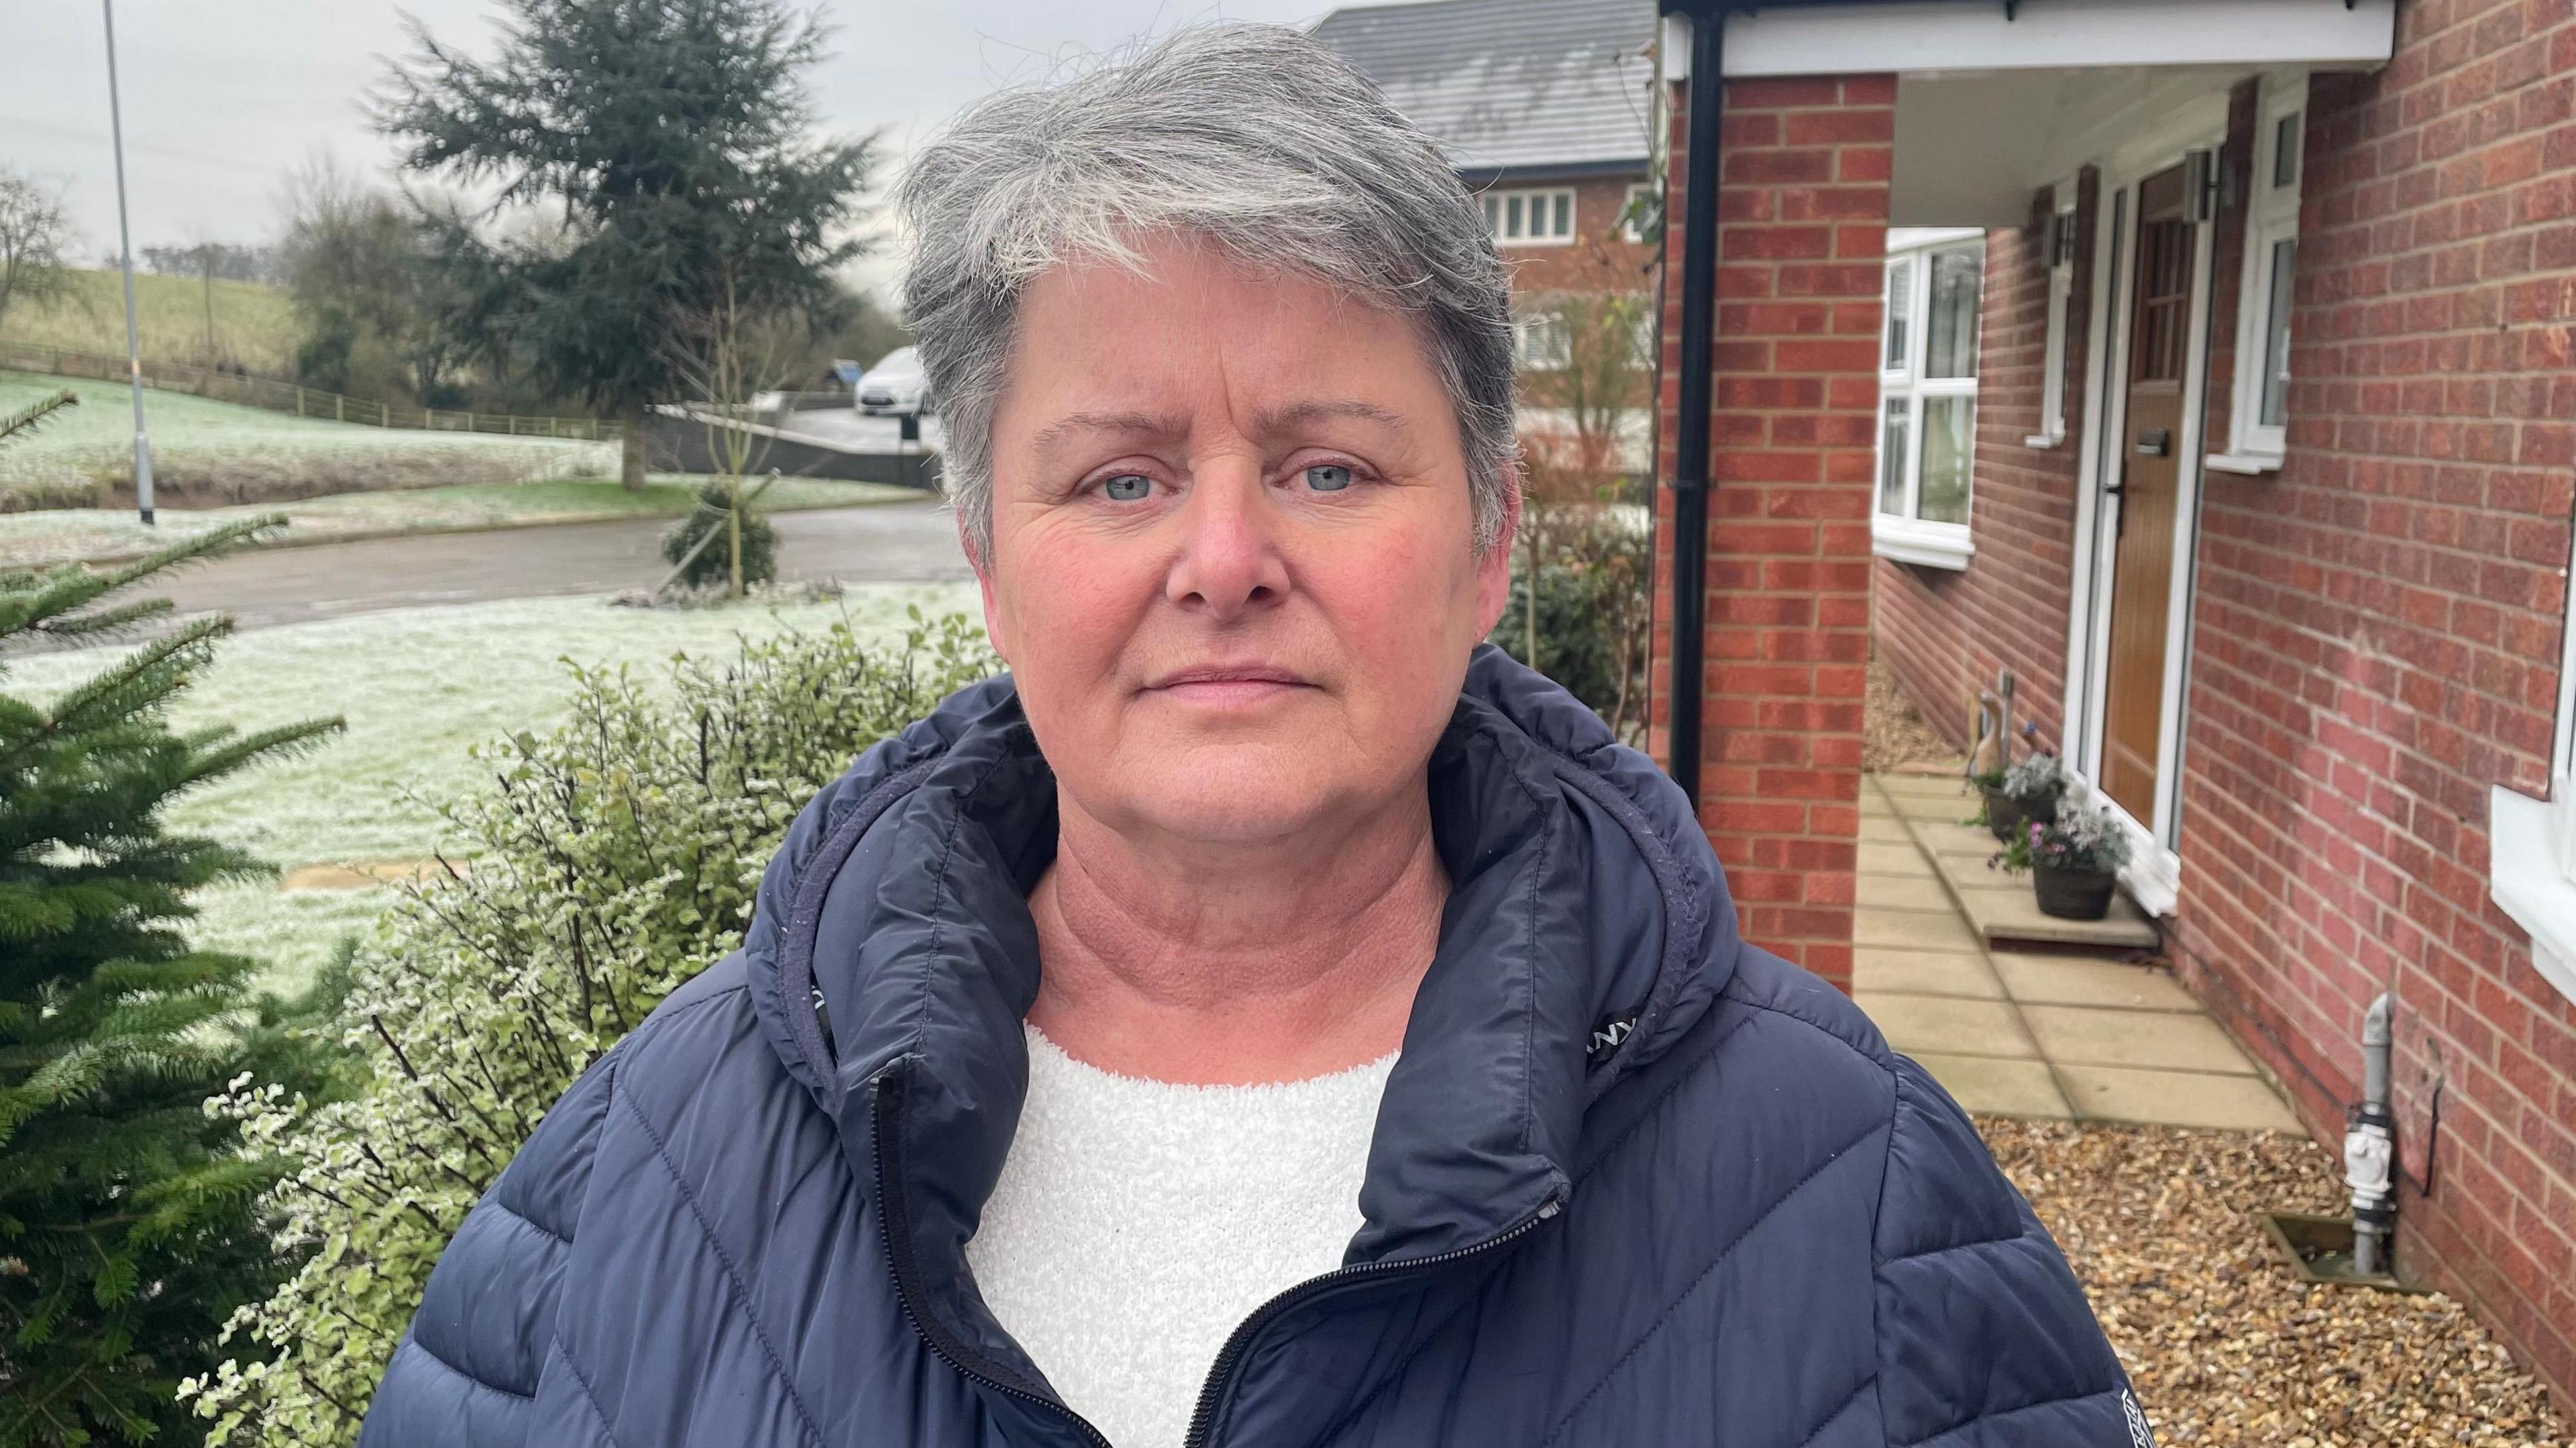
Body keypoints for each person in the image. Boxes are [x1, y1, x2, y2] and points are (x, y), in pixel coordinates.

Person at [360, 24, 2151, 1448]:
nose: (1224, 563)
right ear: (989, 559)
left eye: (1328, 467)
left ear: (1488, 543)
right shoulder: (642, 1173)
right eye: (1121, 476)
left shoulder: (1860, 1198)